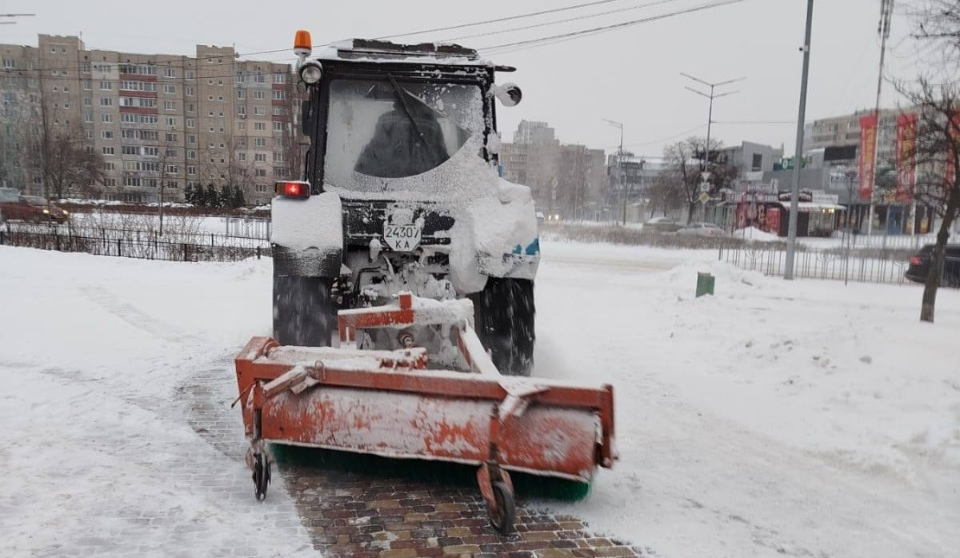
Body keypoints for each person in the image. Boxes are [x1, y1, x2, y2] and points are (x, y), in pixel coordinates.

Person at [354, 94, 449, 178]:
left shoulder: (387, 120)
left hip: (391, 192)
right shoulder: (431, 124)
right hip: (423, 193)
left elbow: (364, 170)